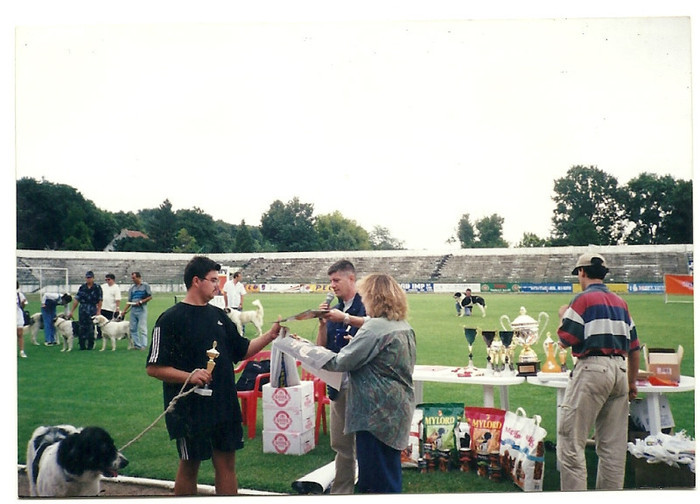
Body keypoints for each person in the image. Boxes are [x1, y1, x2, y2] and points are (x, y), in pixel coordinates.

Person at [145, 255, 281, 495]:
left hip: (224, 404)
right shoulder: (170, 319)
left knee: (227, 465)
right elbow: (154, 367)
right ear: (196, 281)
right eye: (214, 280)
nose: (219, 286)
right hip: (190, 408)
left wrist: (270, 336)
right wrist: (190, 375)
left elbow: (242, 350)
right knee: (190, 465)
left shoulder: (219, 316)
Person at [314, 273, 416, 493]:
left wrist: (304, 351)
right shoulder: (402, 325)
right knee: (389, 474)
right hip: (396, 410)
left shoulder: (375, 329)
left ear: (374, 298)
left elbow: (340, 361)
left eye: (365, 296)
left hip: (374, 414)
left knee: (375, 482)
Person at [557, 253, 641, 491]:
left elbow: (565, 339)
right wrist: (631, 383)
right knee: (613, 449)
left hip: (593, 369)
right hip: (620, 372)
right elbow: (634, 348)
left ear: (581, 272)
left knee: (571, 441)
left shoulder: (582, 299)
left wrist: (564, 314)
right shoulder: (621, 303)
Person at [316, 259, 366, 494]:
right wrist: (322, 325)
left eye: (336, 280)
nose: (332, 286)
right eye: (330, 281)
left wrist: (346, 321)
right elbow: (322, 348)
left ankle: (369, 489)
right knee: (341, 444)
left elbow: (378, 327)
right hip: (337, 384)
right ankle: (342, 492)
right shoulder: (335, 309)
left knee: (365, 443)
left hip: (362, 385)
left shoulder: (365, 305)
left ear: (351, 279)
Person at [69, 271, 103, 350]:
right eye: (87, 278)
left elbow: (100, 300)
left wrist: (98, 311)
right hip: (83, 308)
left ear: (93, 278)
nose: (88, 279)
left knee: (91, 327)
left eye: (90, 277)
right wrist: (72, 311)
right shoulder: (82, 287)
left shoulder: (97, 287)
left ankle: (90, 345)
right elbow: (77, 299)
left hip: (92, 308)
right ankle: (82, 345)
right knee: (81, 327)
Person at [122, 272, 152, 350]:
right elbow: (129, 300)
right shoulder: (132, 288)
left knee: (142, 327)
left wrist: (141, 301)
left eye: (134, 278)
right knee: (133, 328)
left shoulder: (145, 286)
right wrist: (124, 311)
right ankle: (137, 344)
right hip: (133, 309)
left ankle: (144, 345)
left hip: (142, 308)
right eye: (132, 278)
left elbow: (150, 297)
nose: (133, 280)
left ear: (139, 277)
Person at [17, 281, 28, 358]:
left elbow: (23, 306)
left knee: (20, 334)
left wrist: (23, 304)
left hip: (18, 316)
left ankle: (21, 351)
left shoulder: (19, 294)